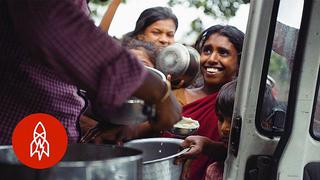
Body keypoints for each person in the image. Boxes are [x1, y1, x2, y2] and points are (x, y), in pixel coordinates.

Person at [0, 0, 181, 145]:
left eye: (169, 34)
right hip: (19, 136)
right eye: (157, 32)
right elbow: (58, 28)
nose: (164, 40)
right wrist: (156, 90)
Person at [169, 25, 245, 180]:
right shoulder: (175, 95)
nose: (211, 59)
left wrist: (208, 146)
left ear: (240, 62)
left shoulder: (244, 105)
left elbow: (242, 152)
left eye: (223, 52)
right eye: (207, 50)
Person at [179, 80, 280, 180]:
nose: (224, 128)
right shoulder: (215, 172)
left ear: (266, 125)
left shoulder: (280, 167)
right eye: (221, 119)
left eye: (234, 120)